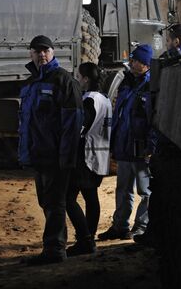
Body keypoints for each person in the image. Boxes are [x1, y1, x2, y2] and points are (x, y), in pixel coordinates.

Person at [18, 35, 84, 265]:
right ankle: (63, 243)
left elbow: (72, 123)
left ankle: (55, 249)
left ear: (53, 52)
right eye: (37, 51)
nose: (41, 55)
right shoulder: (29, 84)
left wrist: (66, 157)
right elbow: (25, 124)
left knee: (55, 203)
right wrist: (25, 154)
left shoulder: (63, 81)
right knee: (46, 201)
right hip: (39, 156)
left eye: (45, 50)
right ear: (31, 54)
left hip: (56, 157)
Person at [133, 24, 181, 247]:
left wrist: (153, 144)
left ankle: (156, 235)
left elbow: (159, 107)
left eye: (168, 40)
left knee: (160, 192)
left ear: (176, 41)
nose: (166, 44)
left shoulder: (172, 64)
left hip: (170, 141)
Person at [98, 44, 155, 241]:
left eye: (136, 60)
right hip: (124, 147)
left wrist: (150, 147)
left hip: (141, 150)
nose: (131, 63)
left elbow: (154, 121)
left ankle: (141, 226)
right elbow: (120, 116)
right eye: (131, 60)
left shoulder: (150, 87)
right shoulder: (127, 83)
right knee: (123, 189)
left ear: (146, 65)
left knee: (145, 192)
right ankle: (120, 226)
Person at [65, 62, 112, 256]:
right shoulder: (105, 99)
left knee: (68, 198)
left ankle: (85, 239)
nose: (77, 79)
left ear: (85, 78)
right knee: (91, 197)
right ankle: (89, 238)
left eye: (78, 76)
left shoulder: (90, 100)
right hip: (100, 155)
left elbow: (81, 127)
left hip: (86, 157)